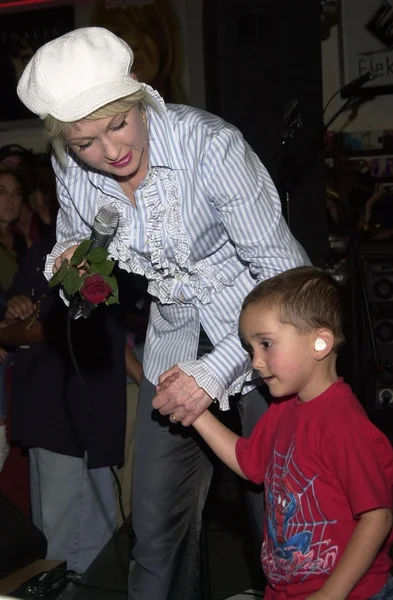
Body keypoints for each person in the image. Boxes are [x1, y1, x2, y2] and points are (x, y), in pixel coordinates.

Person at [16, 27, 310, 600]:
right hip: (172, 341)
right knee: (153, 540)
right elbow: (78, 247)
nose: (110, 152)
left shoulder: (210, 146)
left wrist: (216, 369)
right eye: (85, 143)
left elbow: (287, 277)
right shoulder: (72, 167)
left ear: (138, 98)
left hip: (264, 339)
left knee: (279, 531)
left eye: (119, 124)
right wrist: (73, 268)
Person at [176, 266, 393, 600]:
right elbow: (251, 463)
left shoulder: (342, 424)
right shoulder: (284, 409)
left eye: (266, 344)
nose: (256, 362)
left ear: (320, 342)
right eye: (251, 349)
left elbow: (376, 519)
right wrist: (196, 413)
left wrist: (329, 595)